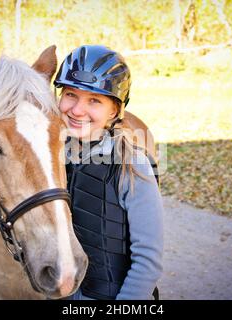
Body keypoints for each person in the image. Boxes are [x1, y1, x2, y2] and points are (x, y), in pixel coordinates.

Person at [53, 45, 164, 300]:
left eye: (94, 100)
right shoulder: (51, 159)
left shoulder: (133, 166)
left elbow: (148, 262)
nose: (77, 110)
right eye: (70, 94)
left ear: (114, 110)